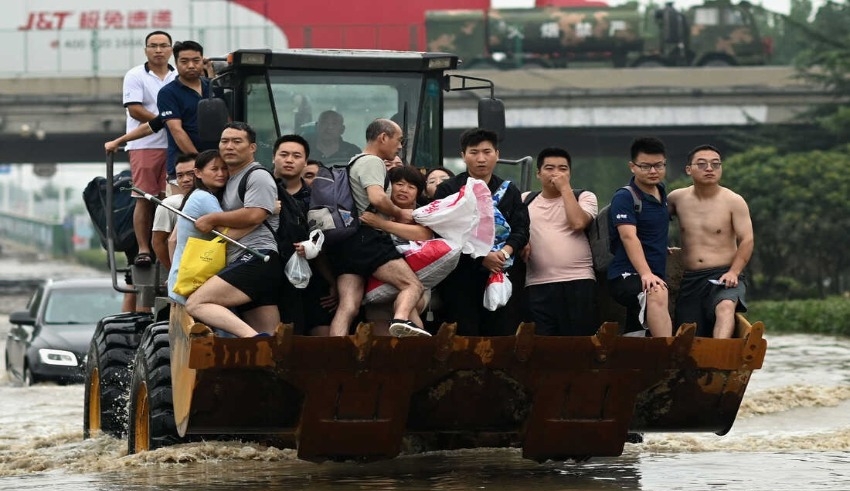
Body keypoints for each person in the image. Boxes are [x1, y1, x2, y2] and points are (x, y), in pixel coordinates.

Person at [325, 118, 426, 337]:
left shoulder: (354, 161)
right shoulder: (373, 162)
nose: (400, 146)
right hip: (367, 239)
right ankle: (400, 321)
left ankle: (332, 353)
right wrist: (399, 213)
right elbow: (377, 198)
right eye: (399, 140)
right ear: (383, 138)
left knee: (348, 306)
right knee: (412, 286)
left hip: (346, 241)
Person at [189, 122, 283, 337]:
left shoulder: (257, 175)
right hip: (250, 262)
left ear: (252, 148)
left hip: (256, 258)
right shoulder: (229, 179)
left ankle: (254, 341)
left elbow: (255, 214)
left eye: (237, 141)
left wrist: (212, 218)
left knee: (196, 303)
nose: (229, 146)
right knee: (271, 337)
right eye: (225, 141)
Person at [433, 128, 530, 336]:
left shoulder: (509, 191)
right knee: (463, 333)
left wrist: (503, 254)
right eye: (474, 152)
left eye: (487, 152)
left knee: (501, 333)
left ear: (497, 154)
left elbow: (521, 229)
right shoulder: (448, 190)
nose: (481, 159)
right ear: (463, 156)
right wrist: (481, 257)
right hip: (461, 275)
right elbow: (444, 232)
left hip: (501, 271)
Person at [668, 144, 754, 338]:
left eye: (715, 164)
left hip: (724, 275)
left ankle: (719, 360)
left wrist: (734, 271)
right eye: (702, 164)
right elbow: (653, 222)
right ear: (689, 169)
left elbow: (747, 239)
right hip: (690, 278)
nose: (709, 169)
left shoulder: (734, 201)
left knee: (724, 307)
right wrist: (659, 247)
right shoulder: (676, 198)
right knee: (690, 333)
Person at [521, 147, 599, 336]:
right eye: (549, 168)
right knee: (543, 346)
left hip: (578, 281)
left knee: (579, 343)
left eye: (563, 168)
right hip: (538, 284)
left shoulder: (584, 197)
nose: (556, 173)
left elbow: (577, 222)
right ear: (538, 174)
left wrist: (564, 188)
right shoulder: (525, 200)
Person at [272, 134, 338, 336]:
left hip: (315, 279)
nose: (289, 160)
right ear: (274, 158)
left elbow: (327, 243)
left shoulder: (317, 199)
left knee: (322, 337)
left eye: (296, 155)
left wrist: (334, 283)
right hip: (274, 278)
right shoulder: (263, 191)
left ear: (305, 162)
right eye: (284, 154)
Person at [608, 137, 673, 338]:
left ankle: (634, 364)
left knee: (636, 330)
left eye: (658, 165)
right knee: (656, 292)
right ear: (632, 167)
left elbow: (652, 231)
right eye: (645, 166)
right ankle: (667, 355)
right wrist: (646, 274)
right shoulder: (625, 197)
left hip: (654, 273)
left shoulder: (661, 193)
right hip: (627, 276)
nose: (653, 171)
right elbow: (628, 237)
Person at [123, 30, 176, 268]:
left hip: (175, 144)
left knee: (171, 198)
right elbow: (134, 109)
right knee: (144, 197)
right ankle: (144, 249)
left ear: (171, 49)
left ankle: (168, 246)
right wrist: (165, 119)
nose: (158, 50)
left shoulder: (179, 76)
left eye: (163, 45)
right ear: (146, 50)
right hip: (144, 144)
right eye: (153, 46)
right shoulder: (135, 75)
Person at [360, 165, 434, 333]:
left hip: (416, 286)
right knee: (381, 344)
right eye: (399, 184)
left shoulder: (422, 214)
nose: (404, 190)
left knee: (408, 305)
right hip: (378, 287)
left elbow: (424, 234)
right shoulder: (373, 210)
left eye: (411, 186)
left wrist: (382, 225)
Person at [168, 150, 229, 305]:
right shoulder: (203, 198)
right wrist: (260, 215)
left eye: (224, 168)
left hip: (185, 277)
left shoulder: (198, 195)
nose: (221, 173)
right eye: (214, 169)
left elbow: (173, 240)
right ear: (199, 173)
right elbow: (229, 235)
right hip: (191, 281)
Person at [157, 40, 216, 187]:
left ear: (202, 61)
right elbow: (177, 130)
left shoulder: (213, 86)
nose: (191, 65)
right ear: (176, 64)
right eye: (184, 61)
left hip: (215, 166)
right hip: (184, 168)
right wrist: (200, 161)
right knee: (181, 208)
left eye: (196, 61)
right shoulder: (168, 93)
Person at [151, 153, 196, 272]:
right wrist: (173, 272)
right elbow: (158, 242)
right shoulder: (169, 204)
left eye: (191, 174)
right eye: (180, 176)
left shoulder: (216, 198)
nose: (185, 180)